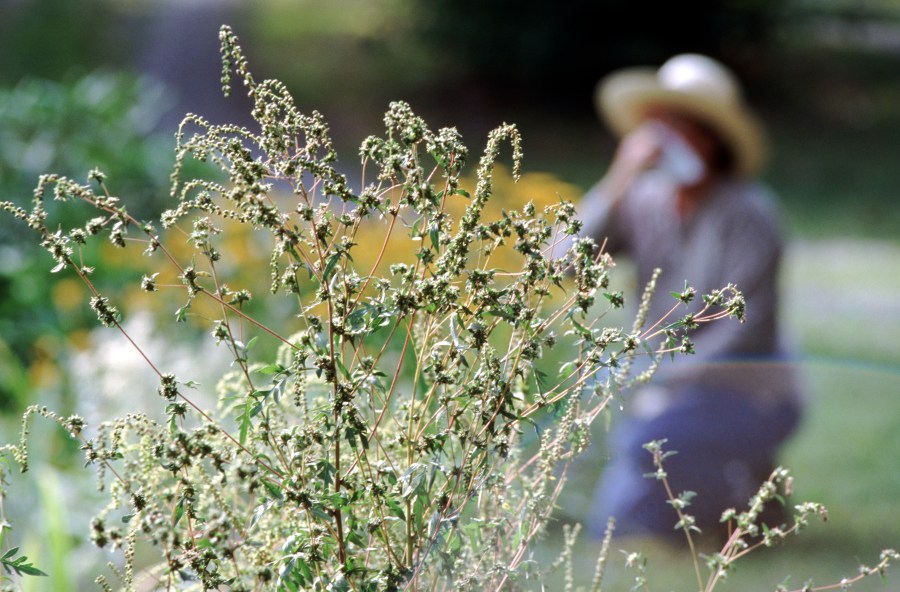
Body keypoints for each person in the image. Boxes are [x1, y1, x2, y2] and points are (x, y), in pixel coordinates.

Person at [578, 54, 806, 542]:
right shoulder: (642, 200)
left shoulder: (751, 214)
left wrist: (659, 383)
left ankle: (733, 493)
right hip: (670, 384)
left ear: (712, 139)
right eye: (661, 128)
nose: (671, 141)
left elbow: (748, 332)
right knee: (599, 443)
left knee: (641, 464)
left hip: (750, 389)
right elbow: (562, 263)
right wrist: (619, 177)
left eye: (685, 128)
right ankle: (742, 492)